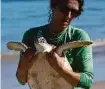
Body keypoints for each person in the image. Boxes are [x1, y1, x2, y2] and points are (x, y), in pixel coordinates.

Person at [16, 0, 94, 89]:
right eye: (64, 9)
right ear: (53, 7)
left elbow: (88, 82)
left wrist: (60, 68)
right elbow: (21, 80)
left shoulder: (79, 36)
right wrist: (23, 63)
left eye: (74, 12)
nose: (68, 16)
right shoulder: (31, 35)